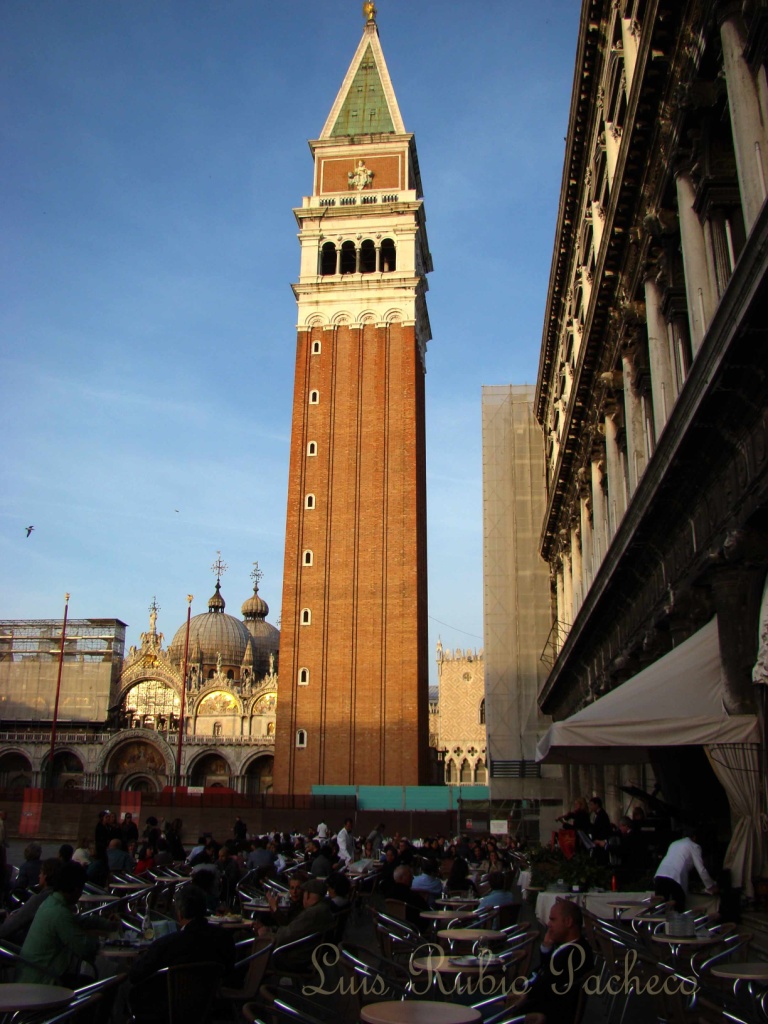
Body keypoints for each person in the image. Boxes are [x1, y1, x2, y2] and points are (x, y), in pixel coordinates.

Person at [127, 885, 236, 1018]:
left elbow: (135, 975)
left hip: (164, 1009)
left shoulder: (167, 944)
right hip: (207, 1006)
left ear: (179, 913)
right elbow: (228, 970)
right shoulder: (224, 938)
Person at [18, 861, 108, 984]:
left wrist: (106, 924)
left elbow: (77, 920)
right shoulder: (60, 913)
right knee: (103, 983)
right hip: (46, 981)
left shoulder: (51, 903)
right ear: (76, 889)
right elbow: (85, 949)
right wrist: (100, 938)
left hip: (35, 974)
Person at [508, 900, 593, 1023]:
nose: (548, 924)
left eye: (553, 919)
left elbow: (541, 989)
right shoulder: (577, 947)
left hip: (534, 1015)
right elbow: (548, 973)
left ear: (568, 922)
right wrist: (547, 947)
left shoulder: (571, 956)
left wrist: (510, 999)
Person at [257, 878, 335, 971]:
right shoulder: (324, 909)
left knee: (254, 951)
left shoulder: (312, 914)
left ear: (307, 895)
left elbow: (286, 936)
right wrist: (271, 930)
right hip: (308, 955)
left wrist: (266, 934)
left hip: (295, 958)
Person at [0, 857, 61, 944]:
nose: (39, 876)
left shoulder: (40, 899)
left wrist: (7, 921)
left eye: (41, 873)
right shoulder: (58, 897)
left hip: (24, 944)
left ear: (46, 876)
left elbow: (8, 928)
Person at [654, 830, 717, 911]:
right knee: (679, 906)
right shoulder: (694, 846)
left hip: (660, 874)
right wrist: (710, 886)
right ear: (694, 838)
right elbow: (701, 869)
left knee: (659, 908)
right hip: (675, 877)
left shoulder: (674, 843)